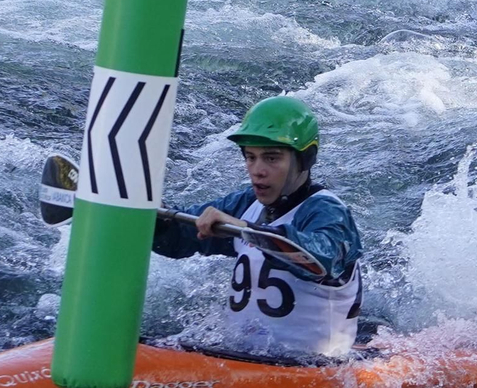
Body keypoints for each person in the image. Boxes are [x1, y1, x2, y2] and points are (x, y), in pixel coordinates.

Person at [152, 96, 363, 358]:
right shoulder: (246, 203)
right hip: (245, 359)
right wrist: (151, 220)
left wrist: (245, 228)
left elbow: (317, 260)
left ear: (304, 160)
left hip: (316, 368)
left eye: (271, 159)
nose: (257, 170)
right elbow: (179, 236)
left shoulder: (329, 212)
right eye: (250, 157)